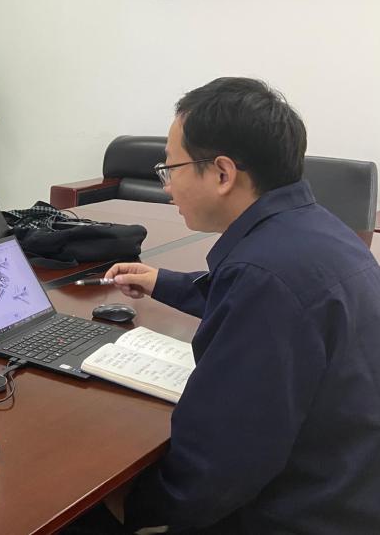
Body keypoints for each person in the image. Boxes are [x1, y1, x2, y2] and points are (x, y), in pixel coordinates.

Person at [97, 78, 380, 533]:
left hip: (298, 514)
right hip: (349, 487)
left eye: (171, 168)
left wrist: (131, 508)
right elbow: (245, 297)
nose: (167, 187)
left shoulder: (264, 278)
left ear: (223, 174)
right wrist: (162, 281)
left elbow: (216, 468)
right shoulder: (314, 232)